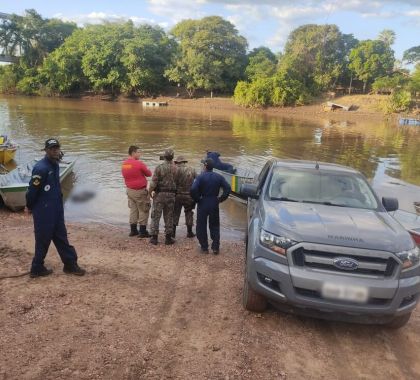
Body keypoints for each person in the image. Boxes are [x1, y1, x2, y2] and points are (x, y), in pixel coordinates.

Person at [26, 138, 85, 278]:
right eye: (52, 148)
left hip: (56, 209)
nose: (55, 150)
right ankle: (37, 268)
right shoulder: (41, 168)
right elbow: (32, 191)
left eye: (56, 148)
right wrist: (29, 206)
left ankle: (70, 265)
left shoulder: (55, 164)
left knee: (61, 237)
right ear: (46, 150)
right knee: (43, 239)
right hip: (44, 211)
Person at [190, 158, 231, 254]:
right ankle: (215, 247)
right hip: (214, 202)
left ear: (205, 166)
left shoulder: (200, 177)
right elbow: (228, 188)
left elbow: (192, 189)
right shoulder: (219, 177)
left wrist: (197, 199)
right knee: (215, 225)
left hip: (203, 201)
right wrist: (221, 199)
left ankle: (204, 248)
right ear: (213, 167)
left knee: (201, 225)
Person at [121, 146, 152, 238]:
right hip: (139, 191)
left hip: (130, 190)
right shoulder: (139, 164)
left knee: (133, 210)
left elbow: (126, 175)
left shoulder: (124, 164)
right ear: (133, 153)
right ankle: (143, 232)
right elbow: (149, 174)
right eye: (139, 152)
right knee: (144, 210)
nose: (140, 154)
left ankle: (133, 230)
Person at [149, 148, 178, 245]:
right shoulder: (176, 168)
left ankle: (154, 238)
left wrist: (150, 192)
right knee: (169, 216)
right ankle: (168, 238)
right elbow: (178, 183)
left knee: (156, 215)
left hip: (160, 195)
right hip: (171, 195)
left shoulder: (159, 167)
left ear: (164, 157)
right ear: (172, 157)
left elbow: (153, 183)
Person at [173, 156, 197, 238]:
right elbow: (198, 180)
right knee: (189, 212)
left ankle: (173, 233)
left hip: (177, 195)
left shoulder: (174, 170)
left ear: (177, 162)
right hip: (189, 195)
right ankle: (189, 232)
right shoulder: (192, 169)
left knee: (175, 213)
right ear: (184, 162)